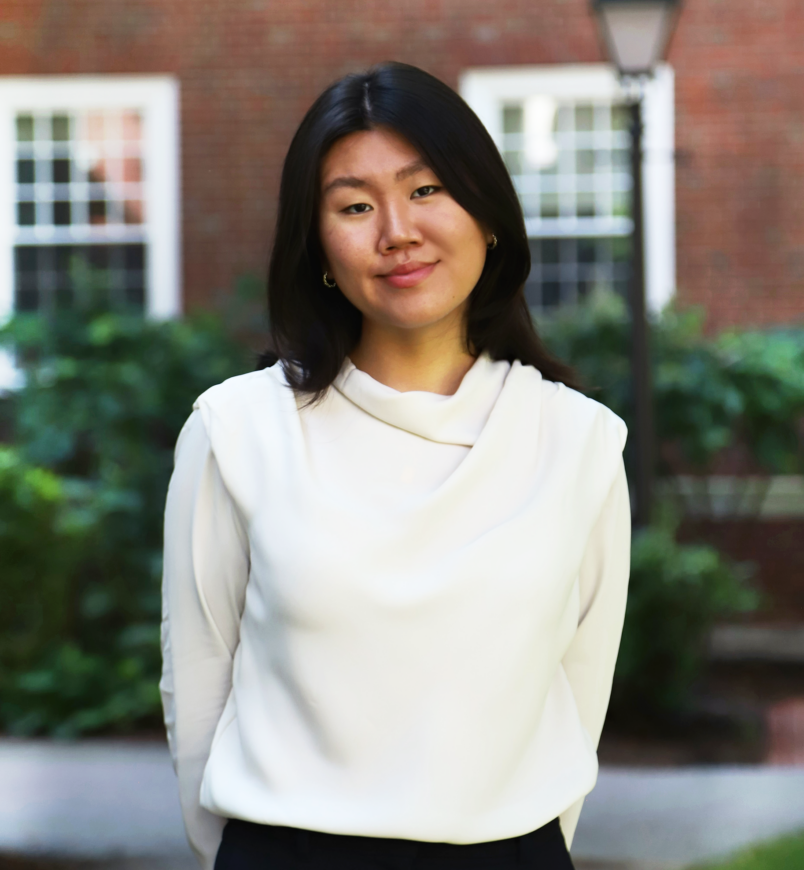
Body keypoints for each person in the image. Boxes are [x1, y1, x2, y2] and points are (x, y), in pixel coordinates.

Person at [160, 62, 631, 870]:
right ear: (318, 246)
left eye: (426, 190)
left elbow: (579, 695)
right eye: (354, 206)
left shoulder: (577, 440)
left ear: (488, 216)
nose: (396, 231)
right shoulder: (237, 430)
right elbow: (197, 685)